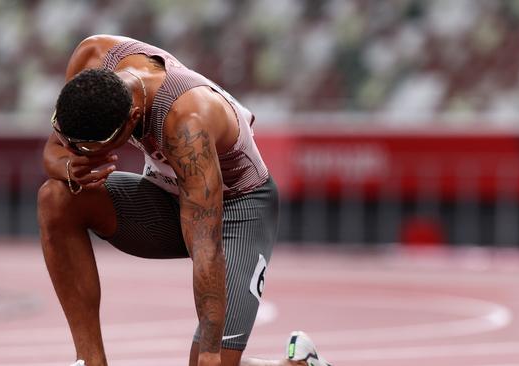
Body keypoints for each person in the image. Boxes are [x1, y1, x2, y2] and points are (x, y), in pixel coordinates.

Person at [37, 34, 332, 366]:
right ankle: (90, 360)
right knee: (55, 197)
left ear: (132, 119)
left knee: (209, 363)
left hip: (236, 211)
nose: (85, 154)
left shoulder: (187, 124)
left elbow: (206, 246)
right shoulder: (91, 62)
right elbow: (54, 152)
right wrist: (69, 167)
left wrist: (209, 353)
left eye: (96, 148)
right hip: (167, 196)